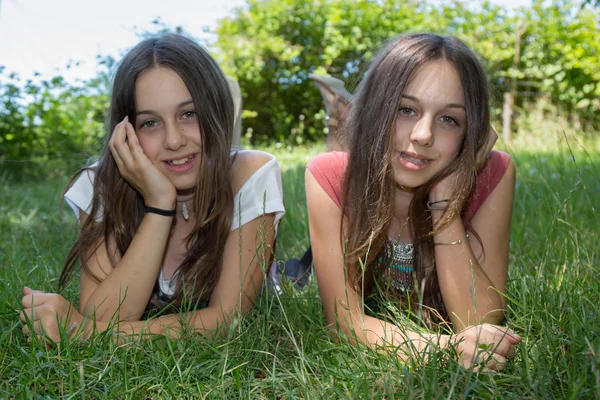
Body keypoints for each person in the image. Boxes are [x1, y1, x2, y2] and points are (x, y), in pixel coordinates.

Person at [19, 34, 285, 342]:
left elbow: (227, 320)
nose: (174, 140)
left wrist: (85, 331)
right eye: (150, 123)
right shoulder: (100, 186)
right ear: (126, 131)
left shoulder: (251, 175)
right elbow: (104, 314)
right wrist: (159, 204)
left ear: (215, 112)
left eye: (189, 114)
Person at [305, 33, 520, 372]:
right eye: (406, 110)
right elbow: (344, 323)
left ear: (470, 132)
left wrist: (445, 201)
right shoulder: (329, 176)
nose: (423, 135)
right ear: (378, 108)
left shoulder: (493, 173)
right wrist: (444, 349)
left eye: (449, 119)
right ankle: (339, 113)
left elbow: (480, 321)